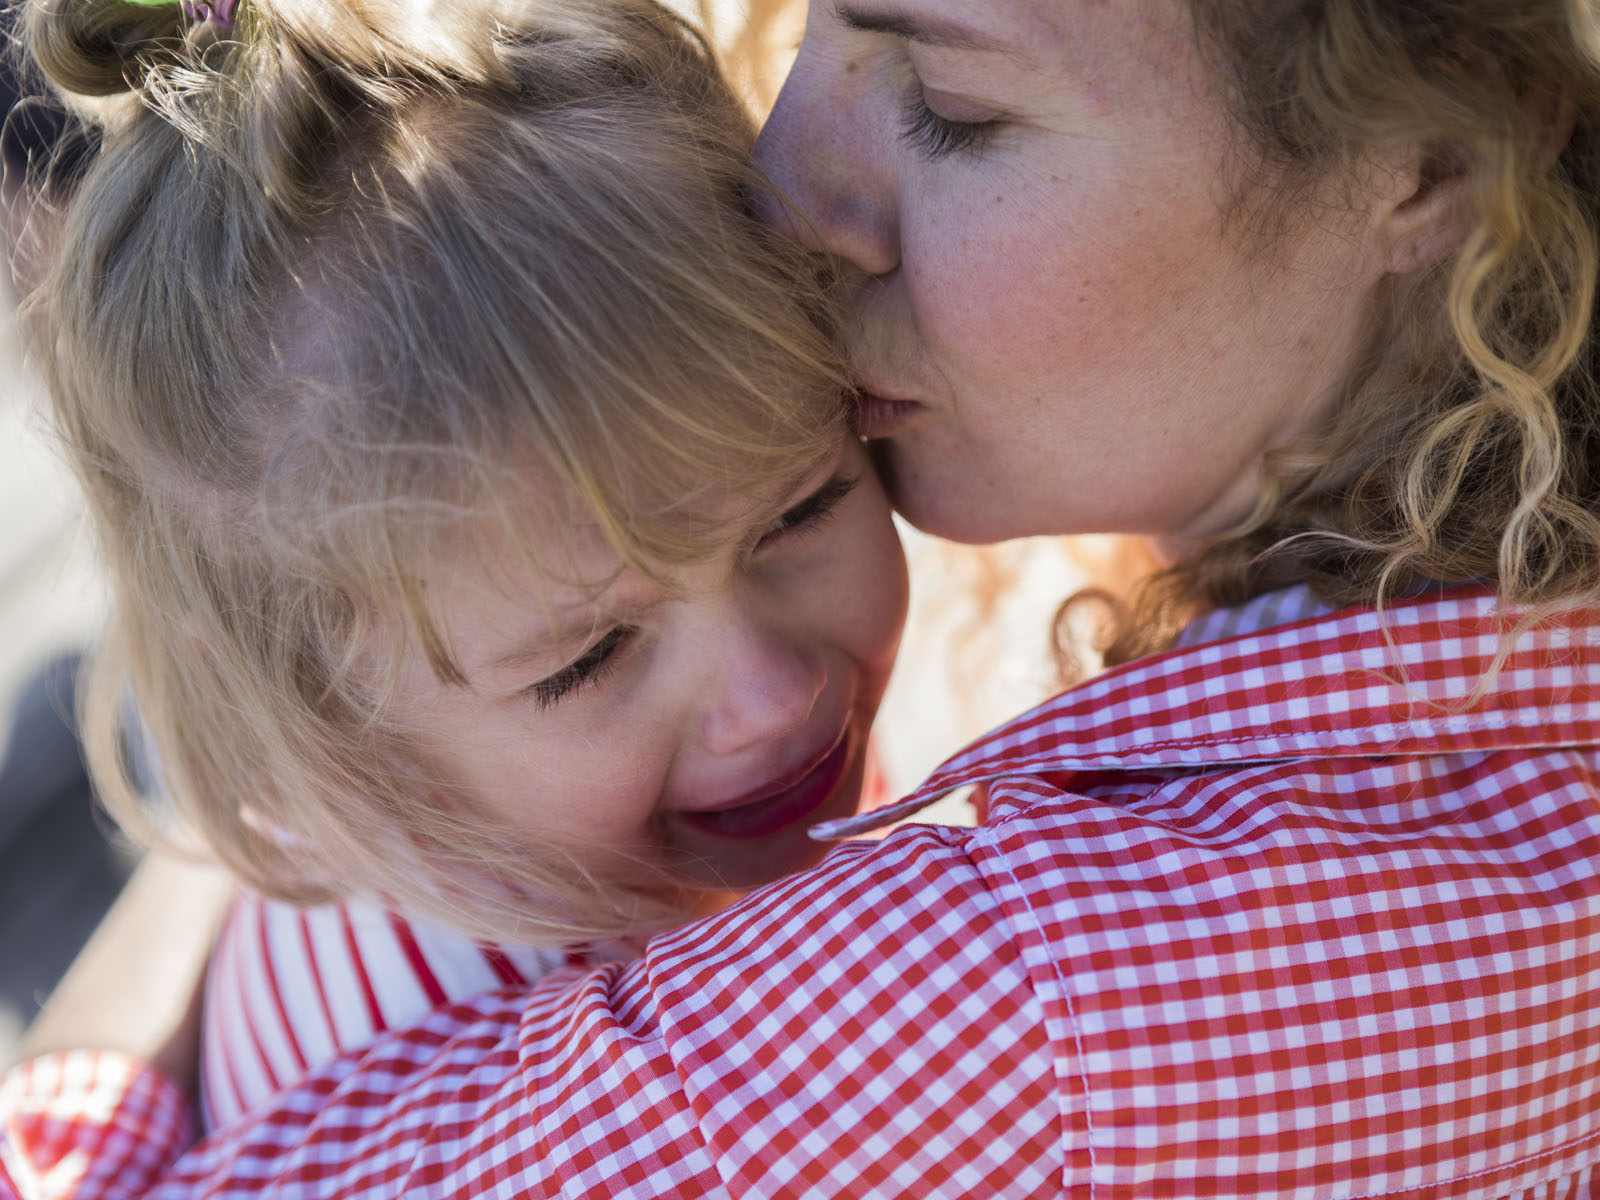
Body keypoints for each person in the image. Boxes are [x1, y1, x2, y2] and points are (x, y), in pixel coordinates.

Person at [6, 0, 1600, 1196]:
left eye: (955, 105)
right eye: (822, 11)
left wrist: (235, 835)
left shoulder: (994, 991)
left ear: (1429, 164)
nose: (783, 189)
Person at [1, 0, 908, 1150]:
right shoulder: (526, 1096)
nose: (773, 691)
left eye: (804, 506)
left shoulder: (574, 856)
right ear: (330, 734)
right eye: (589, 657)